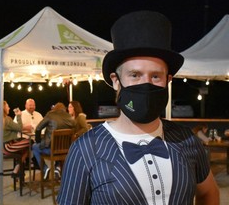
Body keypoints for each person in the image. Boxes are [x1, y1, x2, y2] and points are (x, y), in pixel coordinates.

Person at [57, 11, 219, 204]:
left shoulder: (187, 140)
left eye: (156, 76)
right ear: (116, 81)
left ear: (168, 80)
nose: (146, 84)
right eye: (135, 75)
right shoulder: (85, 149)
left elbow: (209, 193)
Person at [32, 102, 75, 180]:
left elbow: (38, 129)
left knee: (35, 147)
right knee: (52, 149)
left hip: (51, 150)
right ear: (64, 109)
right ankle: (57, 168)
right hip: (66, 151)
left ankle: (45, 169)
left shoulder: (50, 115)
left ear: (54, 108)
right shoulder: (69, 117)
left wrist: (38, 141)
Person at [0, 101, 32, 176]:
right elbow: (19, 128)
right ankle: (20, 166)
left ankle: (18, 168)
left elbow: (14, 129)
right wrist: (18, 115)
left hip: (2, 147)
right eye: (8, 106)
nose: (9, 108)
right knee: (31, 142)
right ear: (4, 108)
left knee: (25, 148)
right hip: (8, 147)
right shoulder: (6, 119)